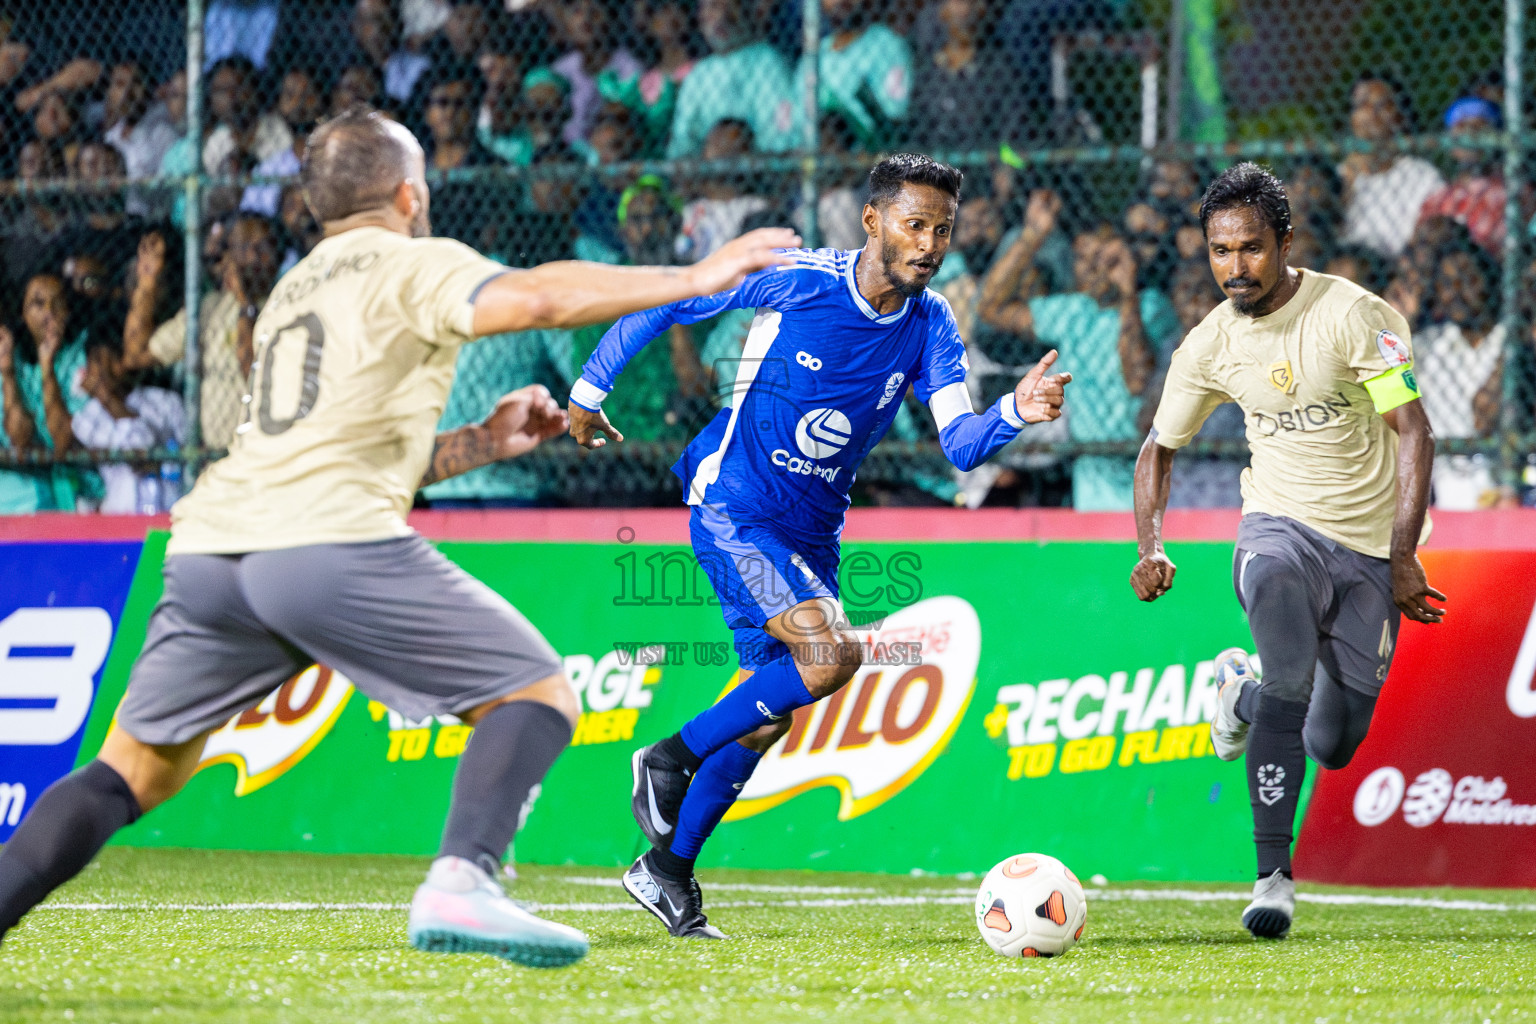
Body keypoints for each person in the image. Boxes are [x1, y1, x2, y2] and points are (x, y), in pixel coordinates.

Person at [0, 104, 797, 963]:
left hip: (208, 555)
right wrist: (697, 275)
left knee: (128, 774)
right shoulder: (409, 260)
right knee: (535, 695)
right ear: (409, 194)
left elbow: (338, 450)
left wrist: (482, 443)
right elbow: (537, 297)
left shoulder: (292, 292)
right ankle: (463, 880)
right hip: (322, 543)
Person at [564, 153, 1072, 938]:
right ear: (872, 220)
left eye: (942, 230)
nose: (930, 244)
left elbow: (961, 444)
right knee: (831, 655)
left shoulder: (931, 322)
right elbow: (670, 301)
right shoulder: (799, 279)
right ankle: (668, 756)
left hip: (811, 534)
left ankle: (665, 871)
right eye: (914, 224)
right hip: (734, 507)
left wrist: (1014, 409)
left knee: (765, 717)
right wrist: (588, 391)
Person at [1130, 162, 1444, 940]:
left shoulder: (1353, 316)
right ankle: (1272, 878)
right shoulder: (1210, 344)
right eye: (1220, 250)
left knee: (1333, 743)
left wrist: (1403, 555)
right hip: (1278, 531)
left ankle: (1236, 695)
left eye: (1251, 248)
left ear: (1285, 243)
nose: (1234, 266)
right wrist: (1151, 544)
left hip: (1370, 551)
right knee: (1291, 679)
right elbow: (1158, 449)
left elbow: (1414, 433)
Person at [979, 190, 1182, 510]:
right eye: (1081, 259)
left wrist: (1128, 292)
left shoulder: (1151, 306)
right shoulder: (1074, 310)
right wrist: (1032, 235)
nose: (1089, 268)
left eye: (1100, 258)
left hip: (1146, 470)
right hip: (1091, 480)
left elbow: (1137, 379)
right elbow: (991, 308)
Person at [1414, 243, 1505, 509]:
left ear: (1489, 279)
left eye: (1468, 278)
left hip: (1507, 489)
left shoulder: (1511, 341)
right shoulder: (1426, 347)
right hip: (1448, 496)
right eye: (1446, 283)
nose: (1456, 290)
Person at [665, 0, 796, 158]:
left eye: (729, 7)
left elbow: (779, 138)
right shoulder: (698, 74)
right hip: (705, 166)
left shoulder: (767, 61)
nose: (720, 17)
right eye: (712, 7)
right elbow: (681, 143)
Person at [70, 337, 187, 514]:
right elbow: (140, 449)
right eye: (97, 362)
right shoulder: (87, 417)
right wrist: (106, 398)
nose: (104, 372)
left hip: (171, 511)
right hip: (122, 516)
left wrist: (161, 465)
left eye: (112, 360)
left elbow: (189, 459)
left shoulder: (166, 401)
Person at [1337, 74, 1444, 260]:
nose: (1370, 113)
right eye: (1361, 105)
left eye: (1381, 105)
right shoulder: (1339, 176)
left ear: (1400, 117)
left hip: (1399, 268)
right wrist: (1348, 184)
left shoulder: (1422, 176)